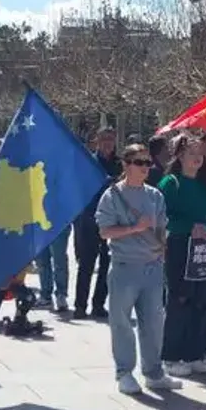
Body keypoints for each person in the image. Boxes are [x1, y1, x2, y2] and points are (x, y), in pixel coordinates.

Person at [94, 143, 180, 395]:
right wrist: (135, 228)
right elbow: (104, 231)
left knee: (154, 322)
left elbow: (163, 225)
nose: (145, 168)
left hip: (152, 267)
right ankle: (124, 372)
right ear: (126, 164)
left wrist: (162, 243)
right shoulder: (112, 195)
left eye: (147, 163)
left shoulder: (155, 195)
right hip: (124, 266)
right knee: (121, 322)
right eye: (139, 162)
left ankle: (153, 372)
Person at [158, 135, 206, 377]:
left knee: (200, 300)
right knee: (179, 299)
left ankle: (194, 353)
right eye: (191, 153)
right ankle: (171, 356)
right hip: (179, 246)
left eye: (200, 153)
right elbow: (162, 217)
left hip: (204, 250)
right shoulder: (170, 183)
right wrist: (188, 226)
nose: (197, 158)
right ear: (180, 156)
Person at [75, 127, 119, 319]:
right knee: (86, 264)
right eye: (104, 139)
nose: (108, 143)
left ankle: (98, 304)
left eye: (111, 139)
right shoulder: (89, 163)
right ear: (97, 141)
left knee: (106, 264)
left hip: (113, 220)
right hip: (90, 218)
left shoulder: (120, 164)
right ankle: (80, 305)